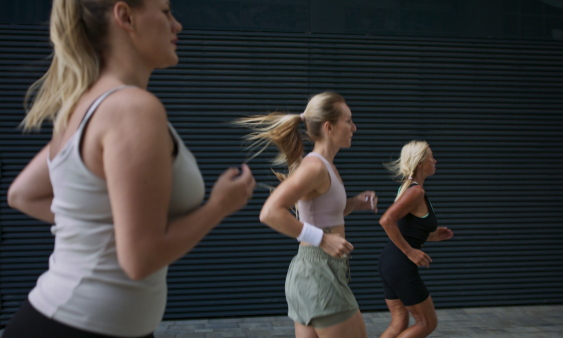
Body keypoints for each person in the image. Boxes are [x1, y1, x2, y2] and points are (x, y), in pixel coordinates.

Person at [4, 0, 255, 337]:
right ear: (125, 16)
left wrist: (109, 226)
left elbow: (22, 194)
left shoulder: (84, 105)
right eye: (165, 11)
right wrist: (219, 207)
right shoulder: (132, 109)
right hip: (77, 326)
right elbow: (140, 259)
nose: (177, 25)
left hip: (78, 321)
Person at [235, 92, 378, 338]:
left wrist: (353, 203)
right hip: (318, 272)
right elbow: (270, 212)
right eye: (348, 121)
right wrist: (322, 239)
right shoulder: (314, 167)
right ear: (329, 127)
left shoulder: (326, 165)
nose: (354, 127)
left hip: (314, 273)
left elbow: (319, 214)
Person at [377, 140, 453, 338]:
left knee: (399, 323)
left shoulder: (408, 187)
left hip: (390, 262)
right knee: (427, 322)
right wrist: (410, 251)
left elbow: (407, 229)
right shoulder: (416, 191)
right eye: (431, 157)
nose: (435, 161)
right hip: (400, 264)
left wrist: (433, 236)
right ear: (420, 163)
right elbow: (386, 221)